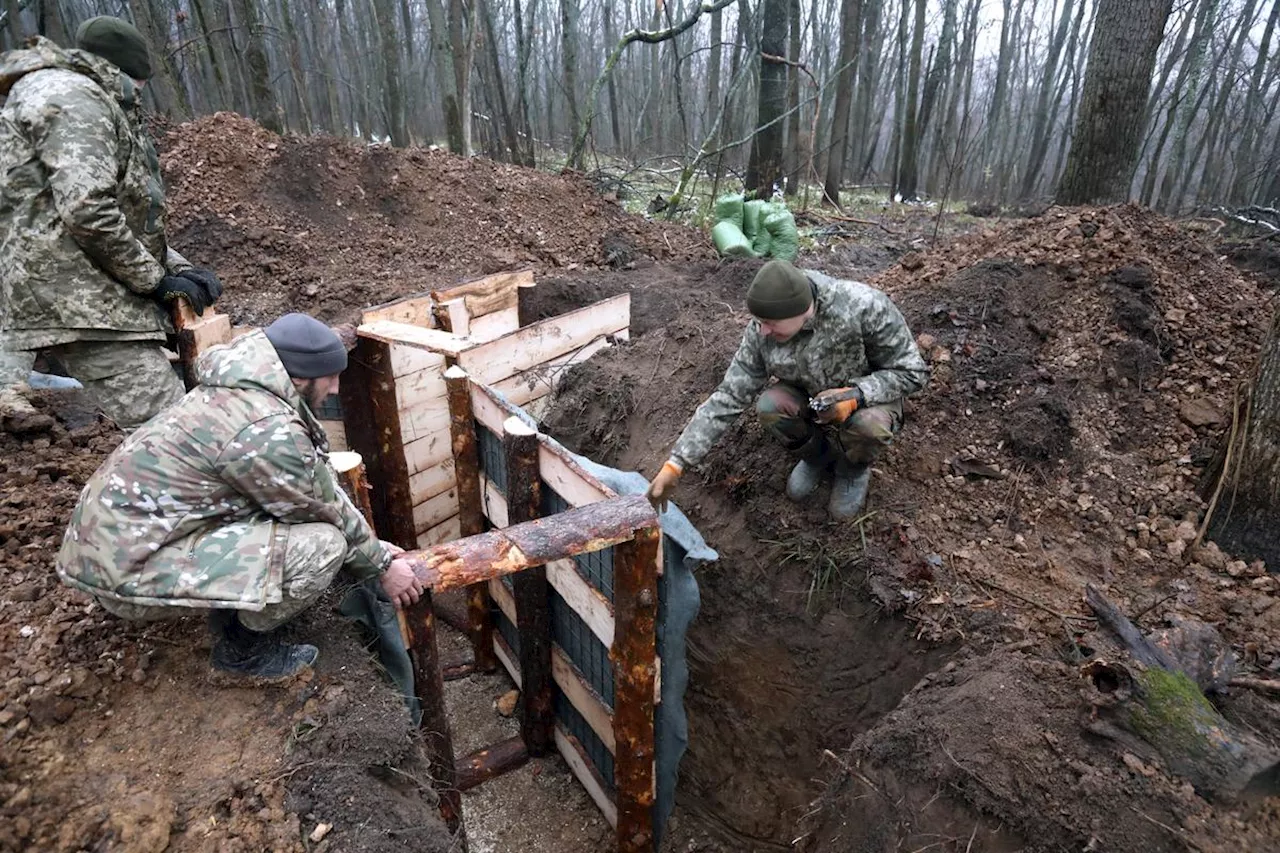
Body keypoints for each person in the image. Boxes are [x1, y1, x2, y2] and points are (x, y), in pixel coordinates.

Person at [56, 313, 423, 679]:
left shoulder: (238, 392)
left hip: (117, 546)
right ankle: (242, 650)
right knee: (323, 548)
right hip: (125, 572)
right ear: (298, 377)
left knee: (307, 528)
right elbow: (320, 511)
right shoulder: (266, 431)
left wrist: (374, 549)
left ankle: (231, 600)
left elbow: (316, 483)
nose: (337, 390)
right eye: (331, 378)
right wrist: (383, 569)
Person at [0, 17, 222, 429]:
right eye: (139, 85)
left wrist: (177, 268)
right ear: (125, 72)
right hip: (79, 299)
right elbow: (88, 210)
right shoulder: (75, 100)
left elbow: (107, 211)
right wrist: (153, 282)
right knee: (177, 430)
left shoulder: (68, 93)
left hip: (68, 287)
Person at [646, 260, 929, 519]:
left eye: (770, 323)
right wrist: (677, 463)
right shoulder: (763, 329)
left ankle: (852, 470)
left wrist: (856, 396)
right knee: (770, 406)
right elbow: (730, 395)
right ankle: (818, 458)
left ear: (803, 311)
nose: (763, 332)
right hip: (809, 392)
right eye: (759, 322)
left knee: (869, 428)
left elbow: (913, 372)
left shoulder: (863, 306)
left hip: (870, 397)